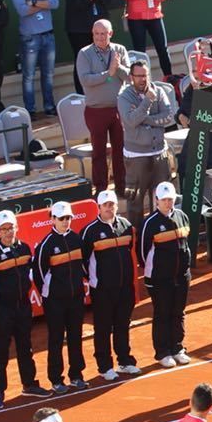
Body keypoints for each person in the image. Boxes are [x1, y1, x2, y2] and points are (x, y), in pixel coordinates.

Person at [0, 209, 47, 407]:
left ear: (17, 227)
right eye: (4, 229)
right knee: (1, 351)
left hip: (23, 306)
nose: (8, 232)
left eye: (11, 228)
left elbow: (29, 274)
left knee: (26, 347)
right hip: (2, 309)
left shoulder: (25, 248)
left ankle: (29, 385)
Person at [82, 189, 140, 380]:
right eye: (105, 205)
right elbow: (82, 261)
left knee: (123, 325)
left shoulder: (125, 226)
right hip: (103, 290)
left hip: (124, 288)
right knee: (103, 328)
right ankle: (105, 366)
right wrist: (95, 280)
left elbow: (130, 250)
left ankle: (124, 361)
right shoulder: (89, 232)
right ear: (98, 207)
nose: (109, 208)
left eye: (112, 204)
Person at [33, 200, 90, 392]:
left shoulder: (76, 239)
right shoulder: (45, 245)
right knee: (56, 339)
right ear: (53, 220)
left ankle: (77, 375)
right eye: (61, 218)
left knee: (75, 337)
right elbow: (40, 274)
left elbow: (84, 266)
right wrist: (50, 295)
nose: (66, 222)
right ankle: (56, 379)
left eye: (68, 218)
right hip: (55, 302)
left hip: (75, 299)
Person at [118, 62, 180, 226]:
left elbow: (169, 116)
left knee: (162, 196)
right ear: (131, 77)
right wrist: (147, 102)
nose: (142, 79)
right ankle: (137, 236)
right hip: (136, 156)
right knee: (135, 200)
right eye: (138, 76)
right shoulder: (124, 97)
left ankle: (160, 230)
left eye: (145, 75)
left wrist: (146, 119)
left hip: (160, 152)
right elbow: (130, 121)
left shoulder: (158, 91)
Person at [140, 180, 192, 368]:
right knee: (162, 313)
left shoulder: (182, 216)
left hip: (182, 276)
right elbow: (142, 253)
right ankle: (162, 352)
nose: (168, 203)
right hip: (159, 279)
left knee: (178, 312)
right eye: (164, 200)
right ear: (156, 201)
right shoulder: (149, 223)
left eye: (170, 199)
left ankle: (177, 348)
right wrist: (156, 273)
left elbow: (187, 244)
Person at [10, 0, 60, 116]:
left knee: (48, 74)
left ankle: (49, 107)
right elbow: (22, 11)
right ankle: (30, 110)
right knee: (29, 75)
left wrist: (32, 2)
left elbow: (54, 3)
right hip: (29, 36)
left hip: (49, 34)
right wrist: (42, 3)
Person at [65, 0, 115, 92]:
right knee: (81, 61)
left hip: (99, 27)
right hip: (78, 28)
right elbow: (72, 3)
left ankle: (106, 89)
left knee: (104, 59)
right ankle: (81, 94)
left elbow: (109, 1)